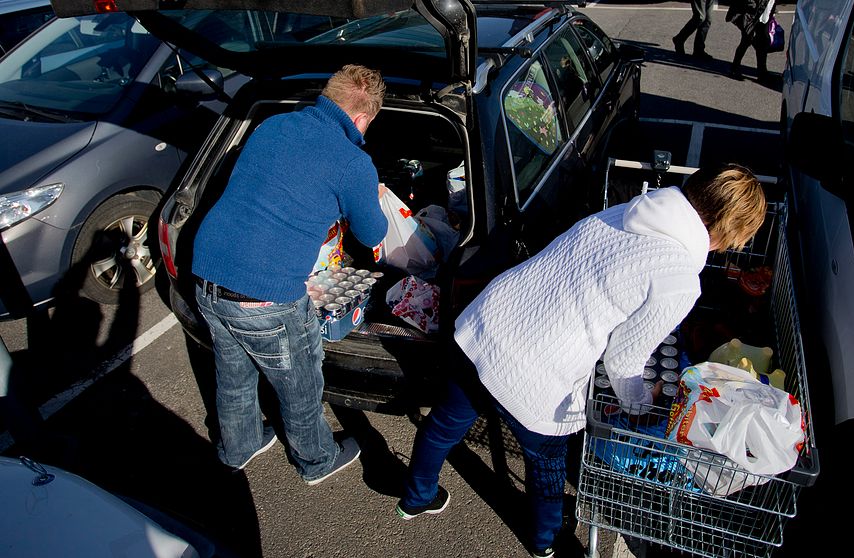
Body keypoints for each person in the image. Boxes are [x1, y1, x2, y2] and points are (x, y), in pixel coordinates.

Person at [395, 164, 767, 557]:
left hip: (488, 321)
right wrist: (641, 402)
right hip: (537, 371)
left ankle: (415, 498)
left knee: (445, 422)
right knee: (546, 467)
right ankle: (545, 542)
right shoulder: (678, 277)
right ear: (728, 231)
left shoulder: (627, 212)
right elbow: (624, 359)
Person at [191, 65, 388, 485]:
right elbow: (374, 234)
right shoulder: (353, 163)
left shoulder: (273, 124)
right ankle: (315, 461)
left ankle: (239, 445)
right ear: (361, 118)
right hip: (265, 294)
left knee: (233, 372)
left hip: (206, 272)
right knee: (299, 384)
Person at [727, 0, 776, 81]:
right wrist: (752, 7)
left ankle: (762, 73)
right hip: (751, 14)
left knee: (763, 42)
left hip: (764, 13)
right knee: (746, 41)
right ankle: (734, 69)